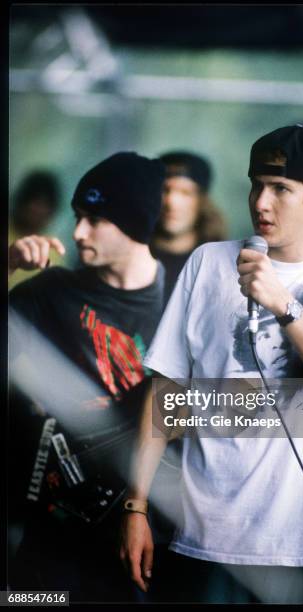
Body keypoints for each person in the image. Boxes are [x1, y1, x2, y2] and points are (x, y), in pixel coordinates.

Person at [120, 125, 303, 604]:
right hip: (206, 541)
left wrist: (285, 307)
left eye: (281, 189)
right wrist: (136, 507)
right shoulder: (208, 263)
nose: (261, 202)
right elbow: (167, 397)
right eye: (256, 184)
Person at [8, 151, 170, 602]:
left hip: (148, 541)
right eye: (78, 216)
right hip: (48, 547)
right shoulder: (49, 293)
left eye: (95, 219)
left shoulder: (182, 300)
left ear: (135, 223)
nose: (77, 232)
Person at [151, 151, 226, 305]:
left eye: (185, 192)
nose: (172, 202)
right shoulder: (131, 253)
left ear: (201, 200)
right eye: (165, 190)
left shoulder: (217, 263)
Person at [9, 170, 63, 289]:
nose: (39, 211)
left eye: (45, 205)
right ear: (22, 201)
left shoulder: (54, 252)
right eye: (36, 202)